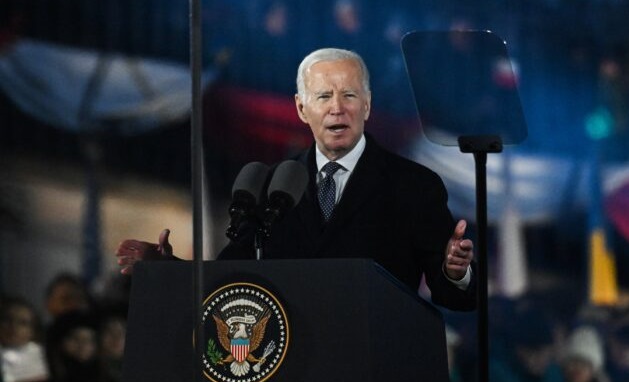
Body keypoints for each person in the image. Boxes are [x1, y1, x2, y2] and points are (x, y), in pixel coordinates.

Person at [116, 48, 476, 311]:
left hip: (374, 363)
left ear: (366, 105)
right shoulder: (273, 183)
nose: (337, 107)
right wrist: (166, 270)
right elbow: (229, 277)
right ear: (302, 109)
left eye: (349, 95)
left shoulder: (414, 185)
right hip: (292, 364)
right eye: (323, 96)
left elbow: (455, 295)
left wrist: (455, 271)